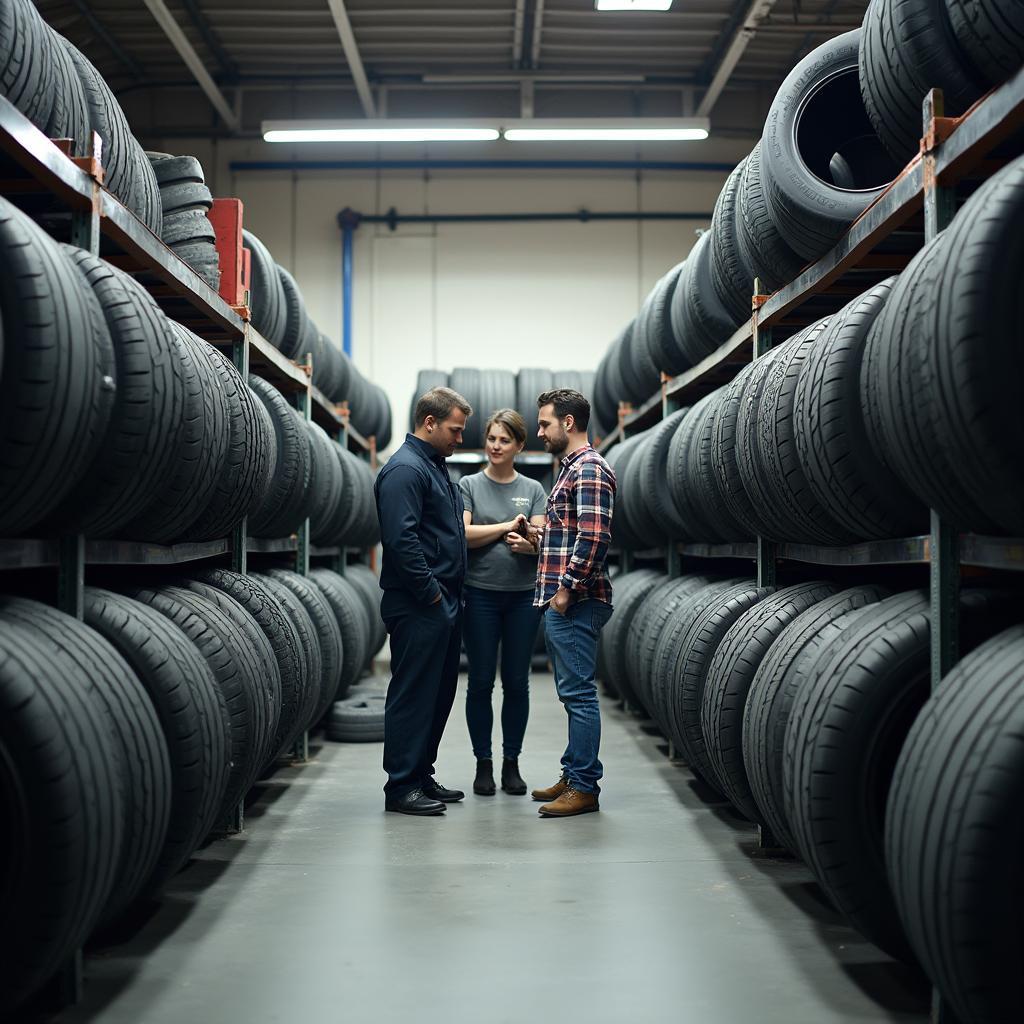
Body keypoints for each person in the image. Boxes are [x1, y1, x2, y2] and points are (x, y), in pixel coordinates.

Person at [374, 386, 472, 816]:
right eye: (454, 429)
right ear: (429, 423)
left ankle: (421, 775)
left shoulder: (434, 466)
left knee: (438, 693)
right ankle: (400, 786)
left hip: (441, 601)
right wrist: (431, 593)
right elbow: (401, 540)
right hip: (419, 604)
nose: (459, 438)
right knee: (413, 694)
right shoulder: (405, 470)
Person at [531, 388, 616, 818]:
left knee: (580, 695)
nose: (539, 431)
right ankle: (574, 772)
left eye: (545, 423)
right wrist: (538, 540)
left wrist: (565, 590)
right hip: (567, 601)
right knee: (571, 694)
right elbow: (570, 534)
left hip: (577, 602)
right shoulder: (570, 470)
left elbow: (595, 537)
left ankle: (584, 786)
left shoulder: (589, 469)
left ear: (568, 423)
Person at [459, 409, 547, 797]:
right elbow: (463, 535)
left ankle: (511, 763)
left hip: (523, 598)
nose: (496, 446)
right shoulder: (468, 485)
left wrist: (527, 544)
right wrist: (506, 527)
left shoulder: (534, 490)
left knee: (516, 683)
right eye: (492, 438)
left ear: (519, 446)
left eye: (504, 440)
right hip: (479, 594)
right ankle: (484, 764)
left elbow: (542, 544)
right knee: (479, 682)